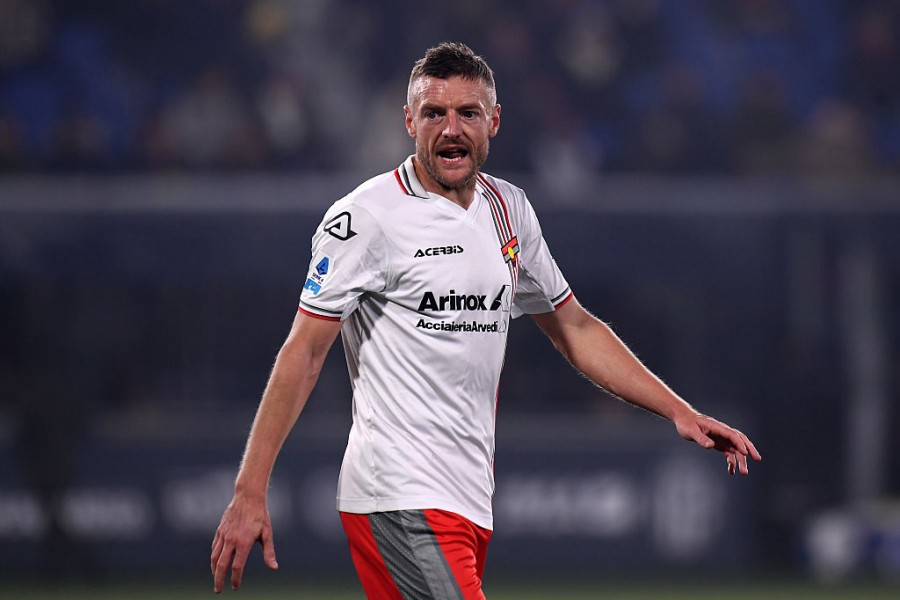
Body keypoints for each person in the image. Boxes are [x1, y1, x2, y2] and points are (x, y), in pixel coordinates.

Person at [210, 42, 762, 598]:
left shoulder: (509, 209)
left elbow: (575, 328)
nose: (451, 129)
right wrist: (250, 490)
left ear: (493, 121)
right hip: (399, 494)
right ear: (409, 122)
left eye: (467, 113)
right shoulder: (366, 218)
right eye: (434, 113)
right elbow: (304, 352)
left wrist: (678, 411)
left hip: (469, 498)